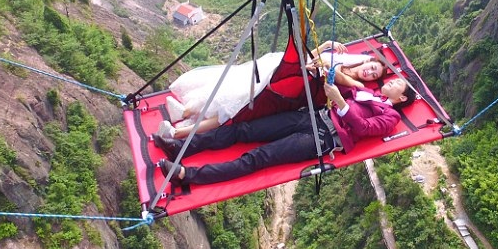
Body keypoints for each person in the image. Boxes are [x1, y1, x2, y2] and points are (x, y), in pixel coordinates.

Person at [154, 78, 413, 186]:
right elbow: (340, 82)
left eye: (398, 83)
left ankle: (189, 175)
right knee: (243, 130)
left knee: (257, 158)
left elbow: (364, 128)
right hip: (310, 116)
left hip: (320, 138)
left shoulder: (390, 116)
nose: (391, 80)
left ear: (401, 97)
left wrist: (343, 103)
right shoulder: (368, 92)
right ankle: (182, 147)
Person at [159, 40, 359, 139]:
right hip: (277, 76)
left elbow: (354, 84)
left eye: (374, 73)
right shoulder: (338, 63)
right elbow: (305, 60)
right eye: (371, 68)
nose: (369, 71)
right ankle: (187, 111)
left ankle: (179, 132)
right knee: (232, 89)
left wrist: (329, 69)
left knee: (233, 111)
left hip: (281, 94)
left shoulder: (344, 81)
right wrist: (325, 46)